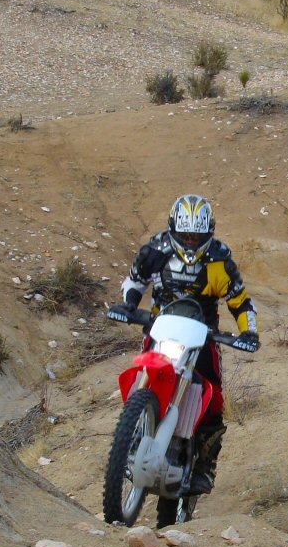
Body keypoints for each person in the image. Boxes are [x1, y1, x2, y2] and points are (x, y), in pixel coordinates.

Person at [109, 194, 259, 495]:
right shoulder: (156, 250)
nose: (190, 242)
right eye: (185, 236)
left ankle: (205, 466)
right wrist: (129, 304)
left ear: (209, 232)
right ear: (173, 229)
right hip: (161, 328)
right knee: (142, 374)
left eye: (196, 237)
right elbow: (134, 282)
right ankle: (131, 433)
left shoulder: (220, 260)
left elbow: (240, 303)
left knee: (214, 395)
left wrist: (249, 332)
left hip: (202, 336)